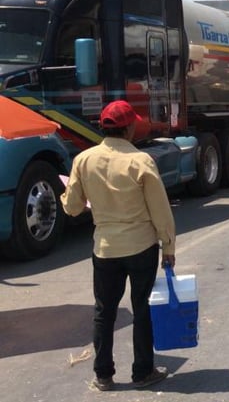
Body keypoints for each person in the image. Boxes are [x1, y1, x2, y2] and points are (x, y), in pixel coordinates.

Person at [60, 100, 175, 391]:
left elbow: (72, 207)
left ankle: (103, 374)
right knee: (142, 309)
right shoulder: (141, 161)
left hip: (105, 248)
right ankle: (143, 371)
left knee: (104, 310)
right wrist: (169, 247)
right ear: (129, 128)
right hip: (141, 246)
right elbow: (160, 210)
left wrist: (66, 196)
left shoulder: (84, 160)